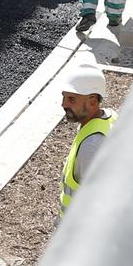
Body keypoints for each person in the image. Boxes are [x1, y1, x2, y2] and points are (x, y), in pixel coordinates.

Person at [57, 60, 115, 213]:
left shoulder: (91, 146)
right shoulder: (108, 118)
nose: (63, 104)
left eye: (71, 99)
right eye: (64, 97)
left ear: (92, 102)